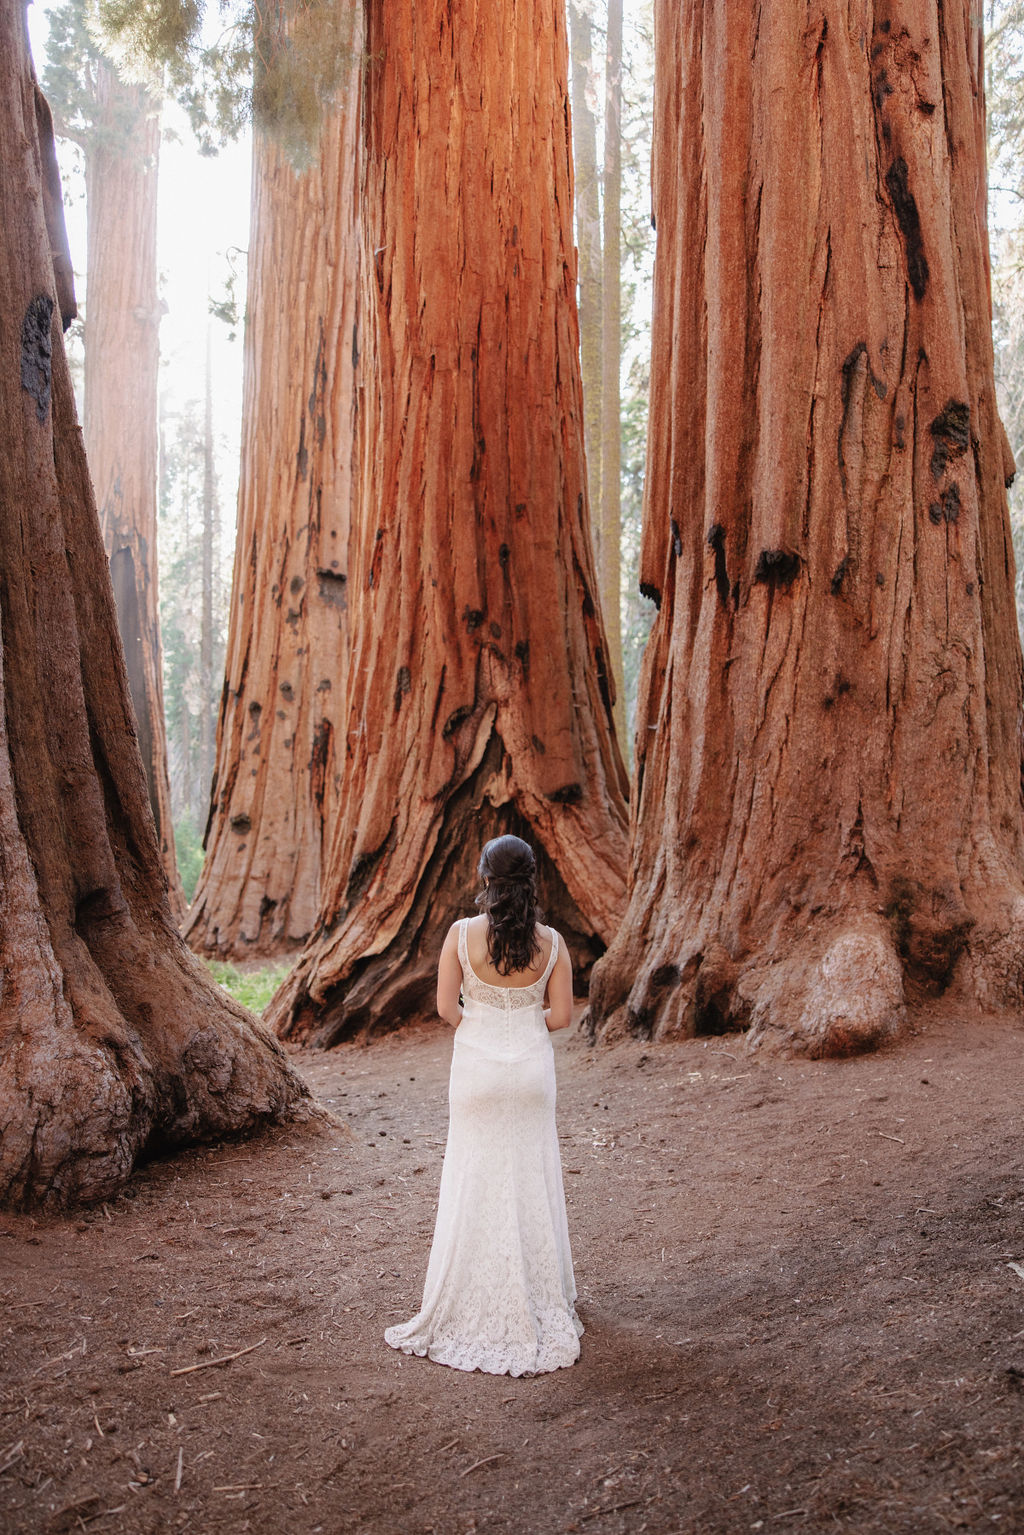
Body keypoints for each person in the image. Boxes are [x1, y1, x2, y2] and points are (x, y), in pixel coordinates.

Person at [384, 834, 583, 1376]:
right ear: (533, 879)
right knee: (531, 1174)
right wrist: (522, 1022)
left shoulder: (460, 935)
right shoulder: (554, 943)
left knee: (474, 1176)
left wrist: (488, 1022)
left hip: (477, 1071)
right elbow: (562, 1018)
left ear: (485, 879)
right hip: (532, 1074)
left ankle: (472, 1291)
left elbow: (448, 1009)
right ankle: (543, 1294)